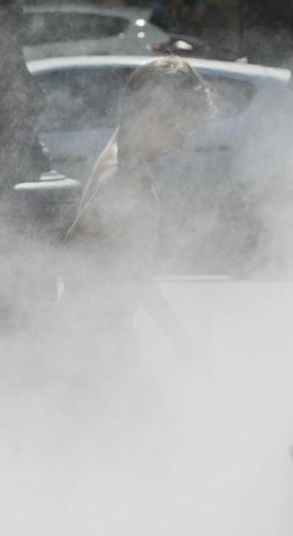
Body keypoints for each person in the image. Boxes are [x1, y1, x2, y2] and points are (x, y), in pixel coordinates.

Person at [56, 58, 215, 404]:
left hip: (102, 339)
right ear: (153, 112)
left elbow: (132, 268)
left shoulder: (120, 154)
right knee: (151, 445)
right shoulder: (123, 179)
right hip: (99, 345)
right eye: (179, 131)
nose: (179, 146)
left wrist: (176, 336)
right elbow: (74, 250)